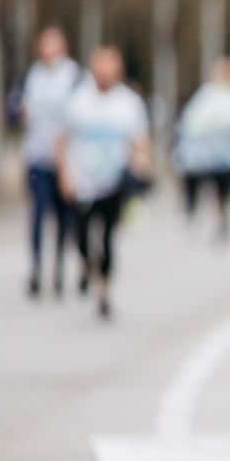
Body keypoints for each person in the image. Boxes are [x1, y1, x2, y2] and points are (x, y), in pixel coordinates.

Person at [54, 47, 151, 321]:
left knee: (107, 237)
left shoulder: (129, 103)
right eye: (101, 70)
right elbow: (61, 141)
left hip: (113, 182)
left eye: (111, 71)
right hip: (83, 181)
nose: (105, 76)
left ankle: (104, 291)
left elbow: (140, 141)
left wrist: (140, 163)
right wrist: (64, 175)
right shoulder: (78, 101)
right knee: (81, 236)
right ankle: (87, 264)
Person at [12, 25, 84, 298]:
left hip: (65, 162)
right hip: (38, 156)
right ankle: (36, 270)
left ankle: (59, 269)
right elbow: (14, 108)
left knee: (65, 220)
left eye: (54, 43)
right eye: (45, 44)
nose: (49, 49)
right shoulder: (31, 76)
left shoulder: (74, 76)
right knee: (38, 215)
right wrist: (20, 112)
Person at [177, 57, 230, 241]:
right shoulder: (207, 95)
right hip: (215, 156)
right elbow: (192, 123)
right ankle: (221, 217)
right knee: (219, 190)